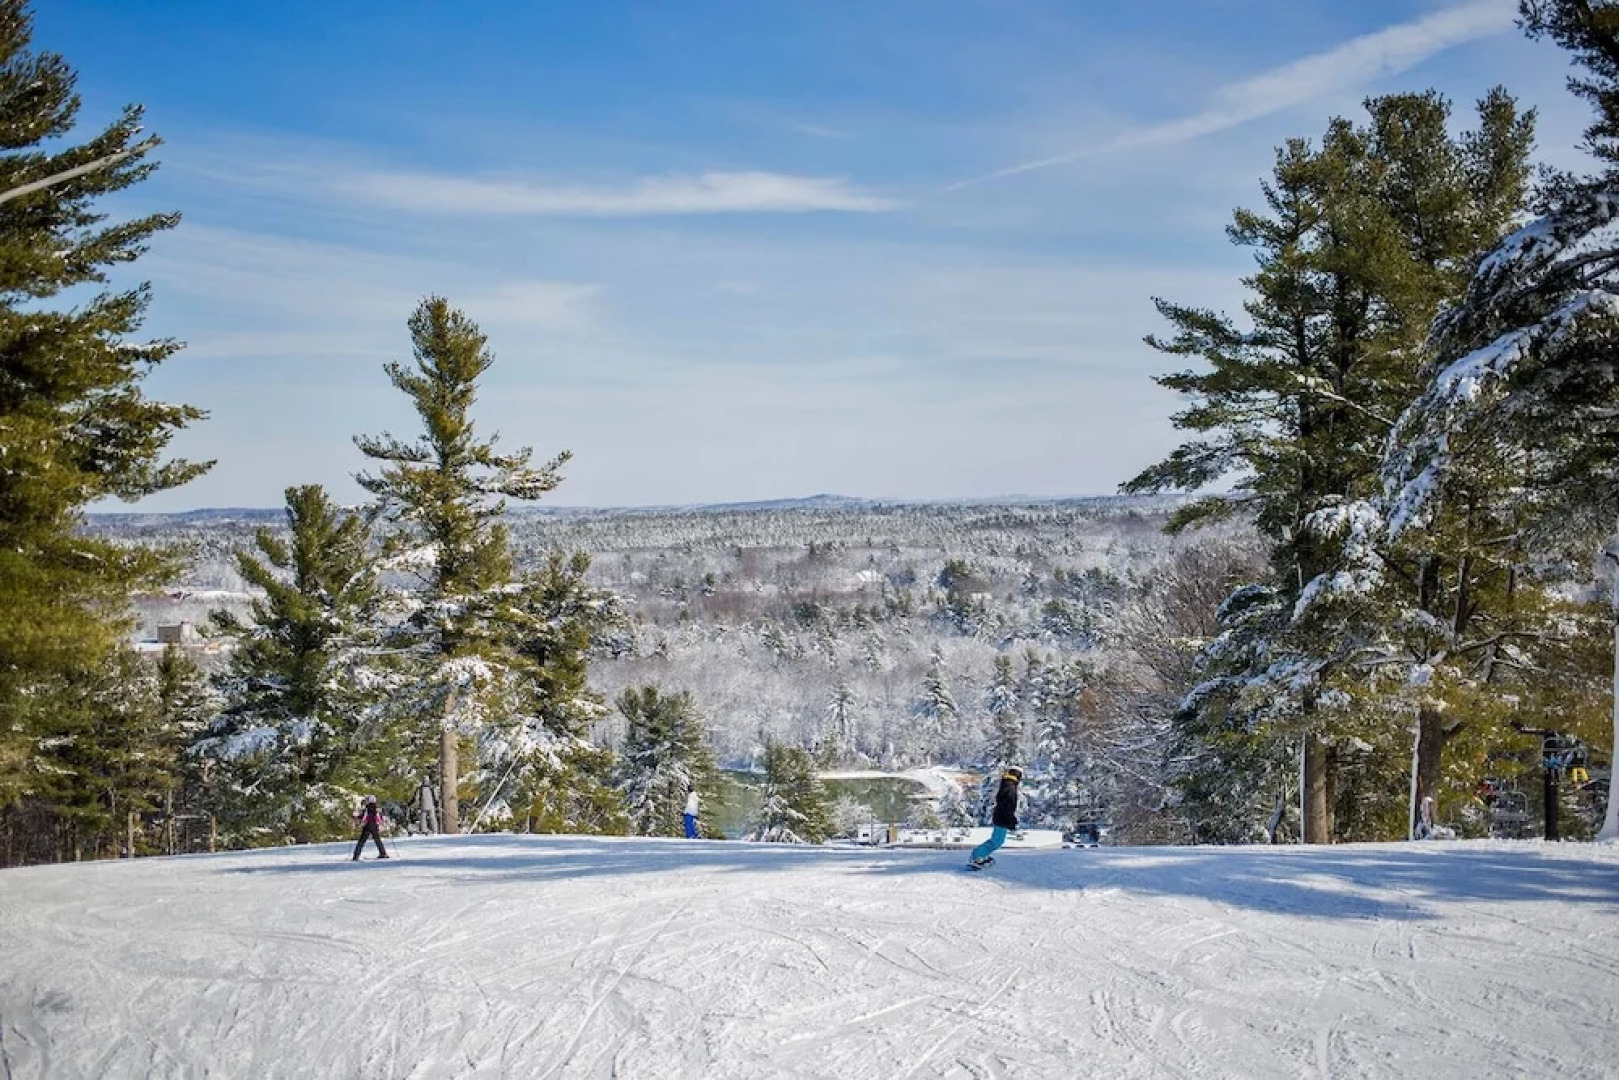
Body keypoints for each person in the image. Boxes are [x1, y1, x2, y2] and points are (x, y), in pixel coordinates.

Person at [968, 767, 1022, 869]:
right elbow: (1007, 806)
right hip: (1002, 817)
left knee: (997, 840)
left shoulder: (1007, 784)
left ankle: (980, 855)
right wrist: (1011, 819)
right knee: (997, 841)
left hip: (1000, 815)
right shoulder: (1010, 787)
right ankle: (977, 856)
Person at [352, 795, 389, 861]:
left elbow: (363, 817)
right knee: (377, 840)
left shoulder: (366, 809)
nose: (366, 801)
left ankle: (356, 856)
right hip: (375, 827)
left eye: (367, 800)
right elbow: (381, 818)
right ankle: (383, 853)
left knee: (361, 841)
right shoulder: (377, 809)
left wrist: (355, 817)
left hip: (367, 826)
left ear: (369, 801)